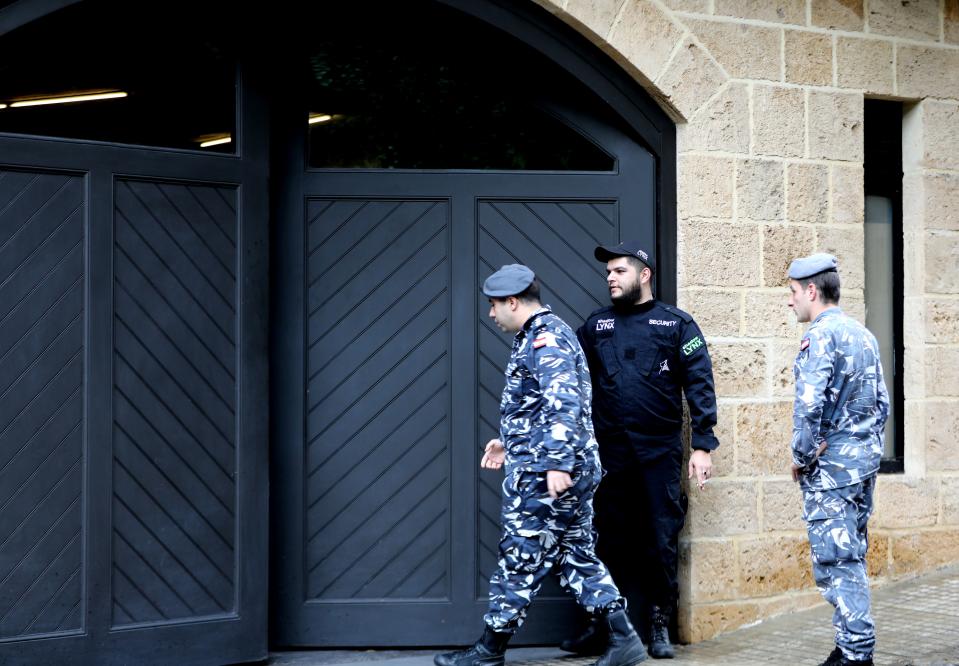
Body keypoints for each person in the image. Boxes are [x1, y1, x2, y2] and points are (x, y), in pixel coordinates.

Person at [434, 264, 647, 666]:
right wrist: (510, 443)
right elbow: (541, 407)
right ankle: (624, 638)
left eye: (494, 306)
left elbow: (563, 401)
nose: (491, 314)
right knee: (574, 552)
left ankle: (489, 650)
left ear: (513, 302)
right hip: (551, 462)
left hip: (549, 471)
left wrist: (556, 462)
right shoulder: (538, 336)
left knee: (520, 552)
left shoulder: (545, 339)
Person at [571, 241, 719, 659]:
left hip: (659, 453)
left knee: (661, 538)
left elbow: (700, 386)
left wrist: (703, 446)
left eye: (619, 271)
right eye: (609, 274)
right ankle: (602, 626)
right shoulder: (596, 325)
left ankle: (658, 625)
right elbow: (574, 382)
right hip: (609, 455)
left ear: (645, 274)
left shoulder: (676, 325)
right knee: (604, 540)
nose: (611, 279)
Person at [786, 253, 887, 666]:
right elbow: (881, 404)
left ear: (812, 290)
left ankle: (857, 654)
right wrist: (865, 448)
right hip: (862, 466)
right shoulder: (863, 334)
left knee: (837, 563)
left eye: (792, 293)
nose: (789, 301)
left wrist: (802, 456)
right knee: (852, 557)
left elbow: (808, 406)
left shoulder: (820, 336)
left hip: (832, 474)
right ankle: (848, 646)